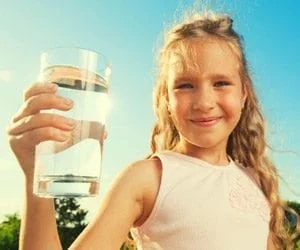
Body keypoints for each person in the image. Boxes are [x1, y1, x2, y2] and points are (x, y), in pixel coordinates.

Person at [6, 10, 300, 250]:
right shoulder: (148, 178)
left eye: (221, 83)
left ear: (244, 93)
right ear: (166, 99)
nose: (204, 102)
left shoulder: (256, 181)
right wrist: (37, 174)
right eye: (185, 85)